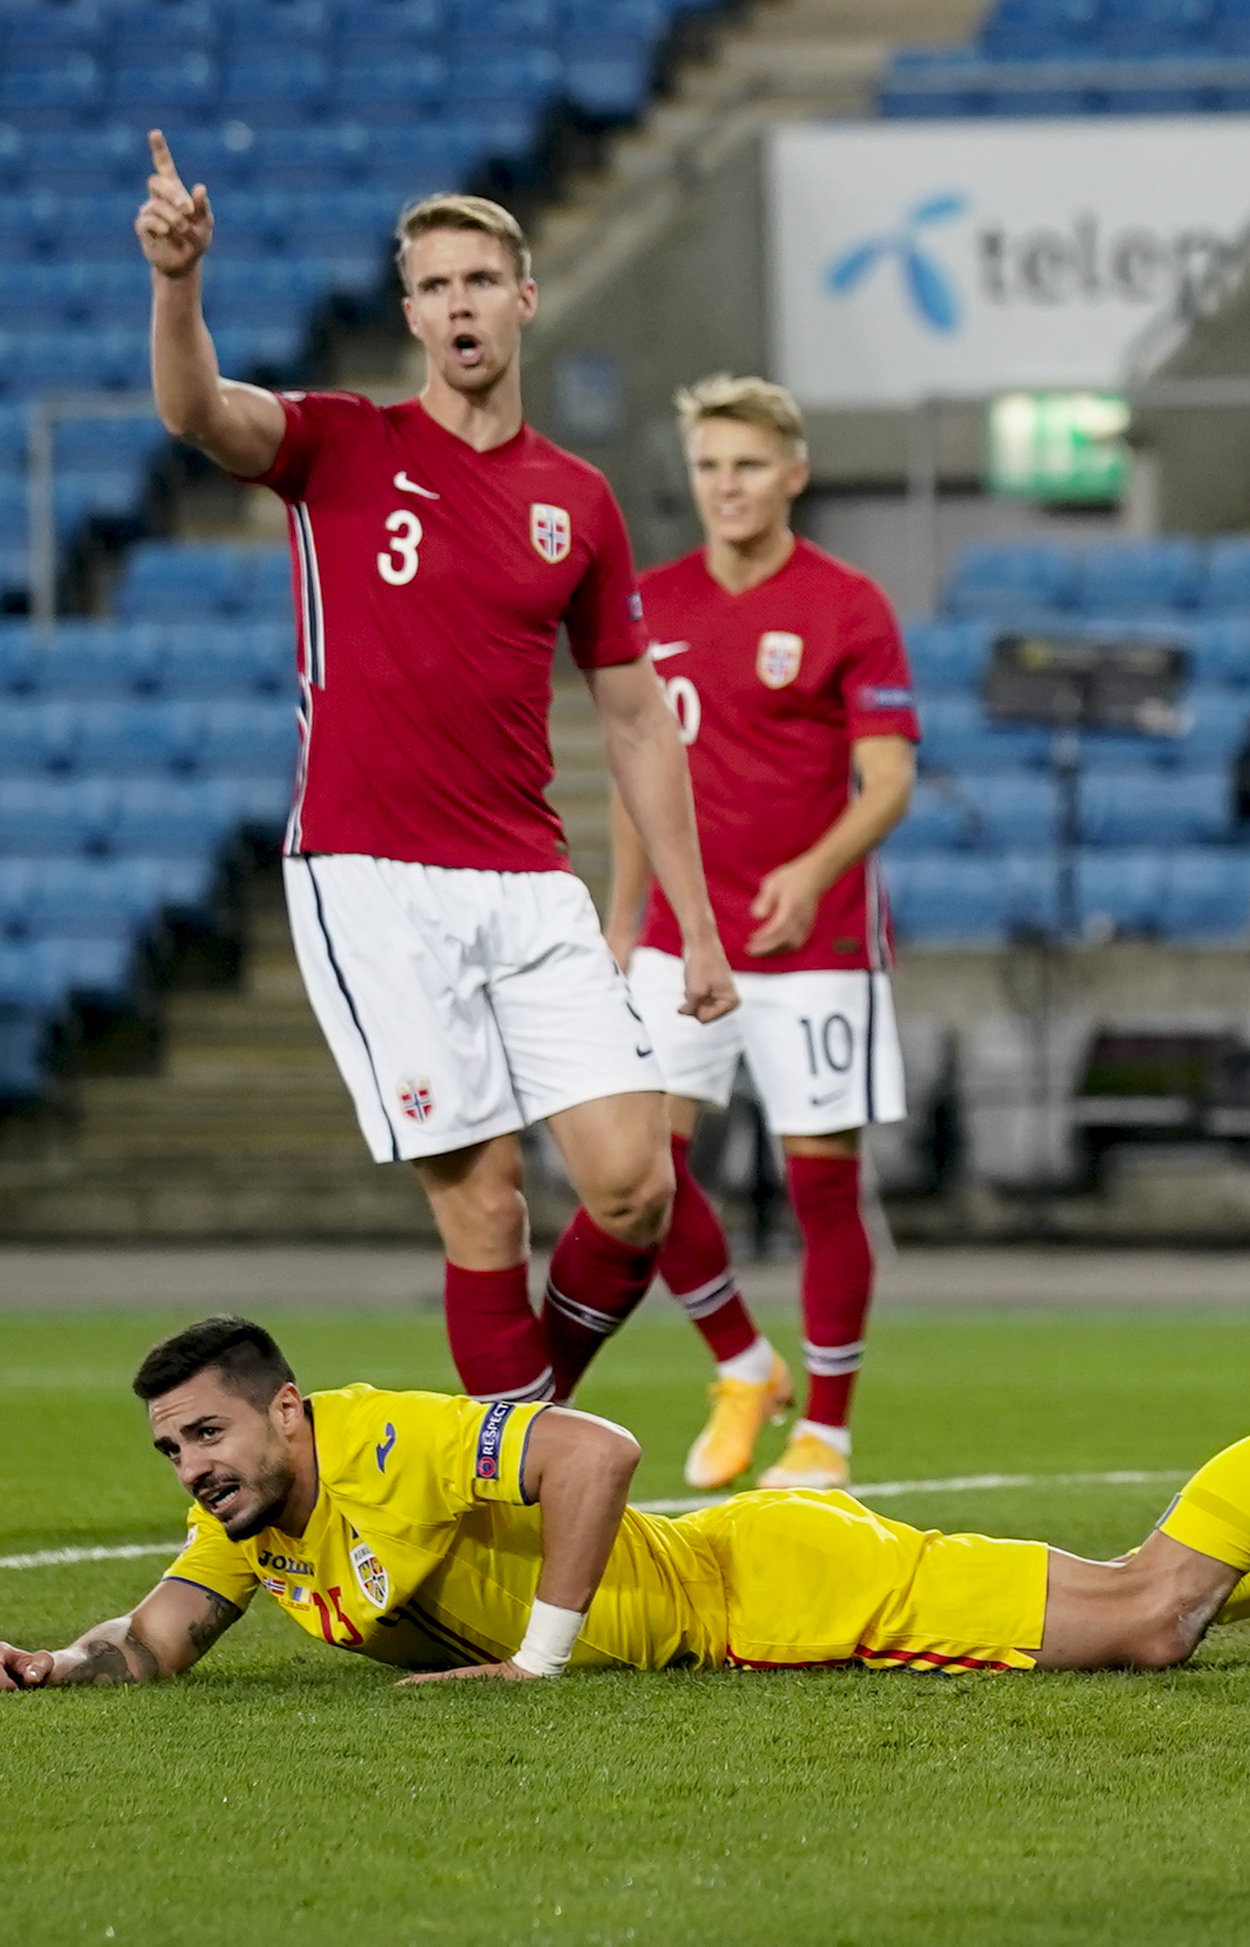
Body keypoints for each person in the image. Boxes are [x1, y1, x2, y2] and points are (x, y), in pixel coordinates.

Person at [133, 135, 738, 1409]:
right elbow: (196, 413)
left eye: (480, 281)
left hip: (527, 877)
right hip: (373, 873)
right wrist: (178, 283)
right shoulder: (340, 443)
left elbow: (636, 719)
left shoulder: (576, 499)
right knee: (486, 1208)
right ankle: (518, 1479)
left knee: (636, 1185)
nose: (459, 304)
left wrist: (694, 924)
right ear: (409, 312)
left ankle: (518, 1430)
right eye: (435, 286)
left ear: (523, 299)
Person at [0, 1287, 1250, 1693]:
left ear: (286, 1411)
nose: (194, 1470)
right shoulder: (252, 1516)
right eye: (173, 1450)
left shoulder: (382, 1442)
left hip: (775, 1585)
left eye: (208, 1439)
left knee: (1151, 1612)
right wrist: (66, 1658)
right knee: (1141, 1596)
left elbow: (594, 1451)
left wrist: (533, 1657)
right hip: (756, 1582)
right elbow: (165, 1634)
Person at [601, 375, 921, 1494]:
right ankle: (742, 1364)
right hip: (678, 939)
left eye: (746, 465)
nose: (725, 486)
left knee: (820, 1186)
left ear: (793, 473)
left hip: (815, 940)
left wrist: (812, 866)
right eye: (707, 466)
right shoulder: (646, 602)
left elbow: (888, 781)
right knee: (640, 1171)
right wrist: (618, 918)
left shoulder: (847, 605)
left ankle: (824, 1433)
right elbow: (633, 774)